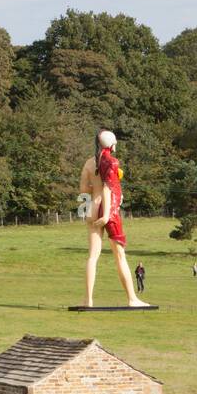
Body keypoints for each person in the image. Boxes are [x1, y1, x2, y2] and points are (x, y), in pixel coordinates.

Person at [78, 129, 148, 307]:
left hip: (92, 207)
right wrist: (108, 212)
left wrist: (85, 208)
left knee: (92, 256)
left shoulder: (88, 163)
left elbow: (83, 190)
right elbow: (109, 188)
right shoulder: (110, 162)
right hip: (107, 209)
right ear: (111, 144)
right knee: (120, 255)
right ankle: (132, 299)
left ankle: (88, 299)